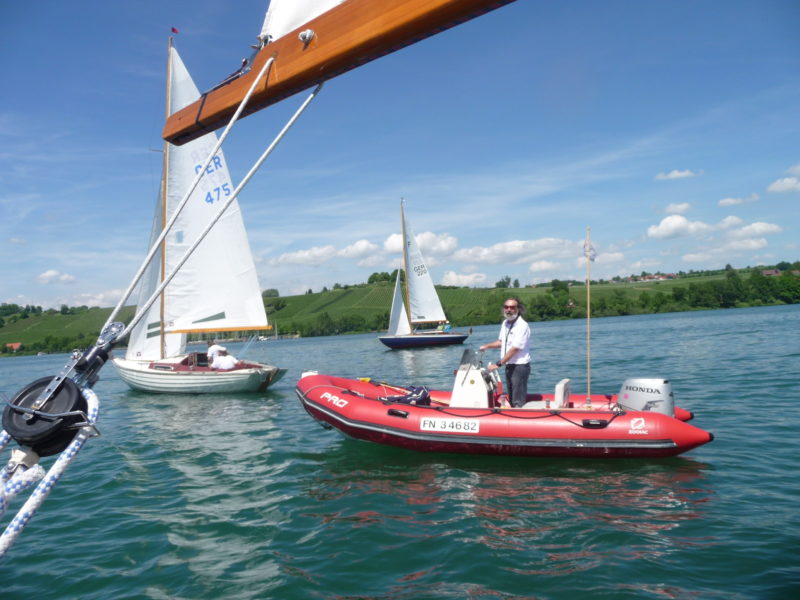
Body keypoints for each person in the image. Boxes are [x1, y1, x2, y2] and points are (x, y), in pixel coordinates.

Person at [479, 297, 531, 408]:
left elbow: (515, 348)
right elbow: (501, 342)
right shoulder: (505, 323)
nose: (509, 310)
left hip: (519, 366)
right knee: (512, 398)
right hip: (509, 365)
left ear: (518, 309)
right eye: (506, 307)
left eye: (512, 307)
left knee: (518, 401)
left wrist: (498, 364)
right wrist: (487, 346)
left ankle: (519, 414)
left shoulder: (522, 325)